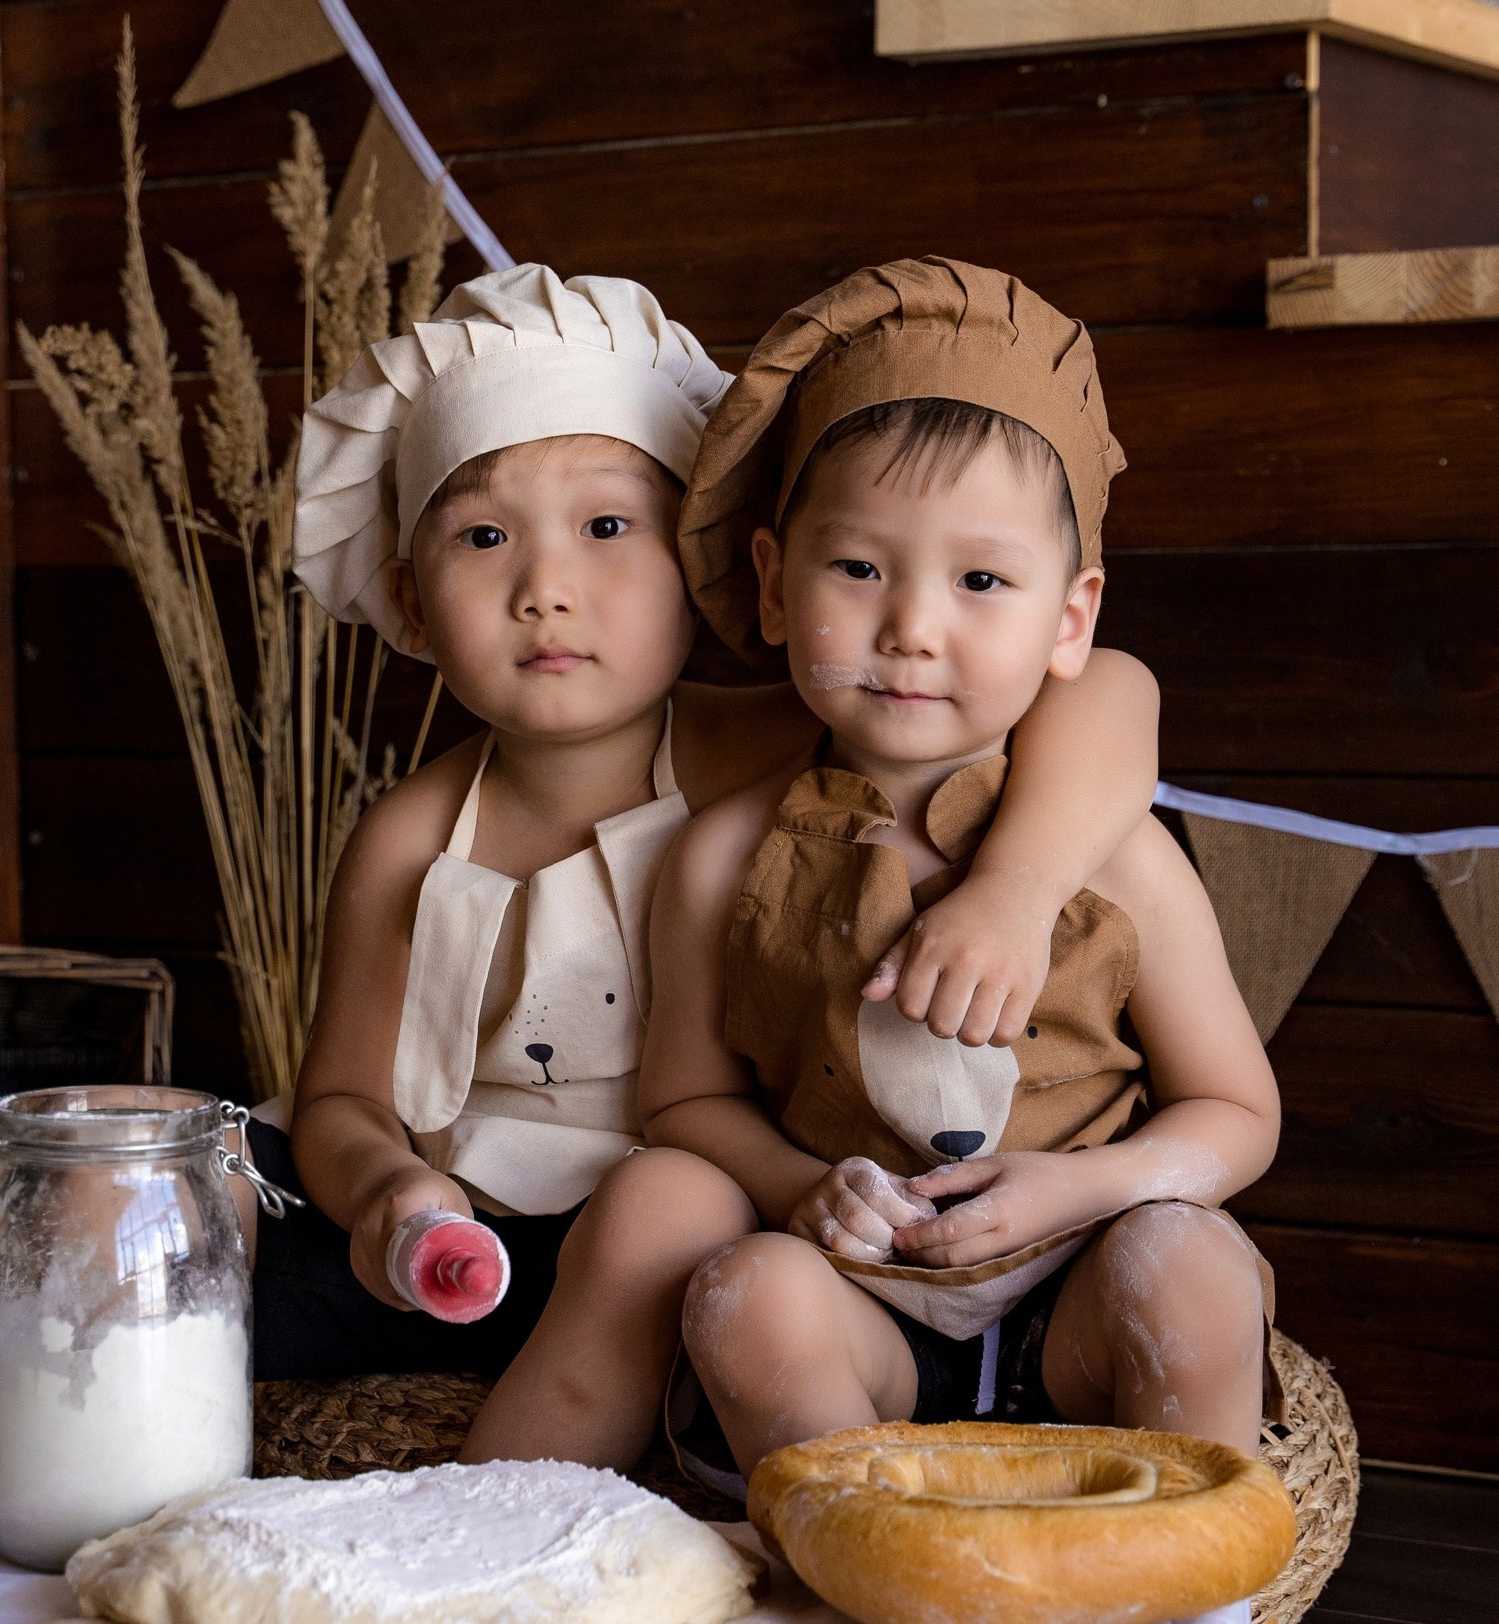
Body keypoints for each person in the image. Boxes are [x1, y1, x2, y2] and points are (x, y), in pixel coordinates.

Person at [245, 264, 1168, 1474]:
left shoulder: (788, 738)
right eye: (482, 537)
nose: (545, 591)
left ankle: (511, 1506)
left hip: (676, 1210)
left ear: (709, 561)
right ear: (412, 603)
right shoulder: (411, 834)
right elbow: (340, 1098)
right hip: (445, 1225)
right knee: (150, 1180)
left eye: (606, 528)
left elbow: (1103, 689)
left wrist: (1017, 891)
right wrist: (385, 1193)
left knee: (666, 1203)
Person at [641, 259, 1282, 1487]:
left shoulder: (1113, 857)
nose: (913, 629)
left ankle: (1180, 1566)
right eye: (857, 569)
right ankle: (863, 1550)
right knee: (744, 1291)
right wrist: (802, 1191)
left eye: (981, 581)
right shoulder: (723, 857)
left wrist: (1083, 1189)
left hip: (1082, 1291)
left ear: (1069, 618)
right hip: (860, 1311)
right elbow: (682, 1105)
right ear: (773, 583)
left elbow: (1236, 1115)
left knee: (1190, 1261)